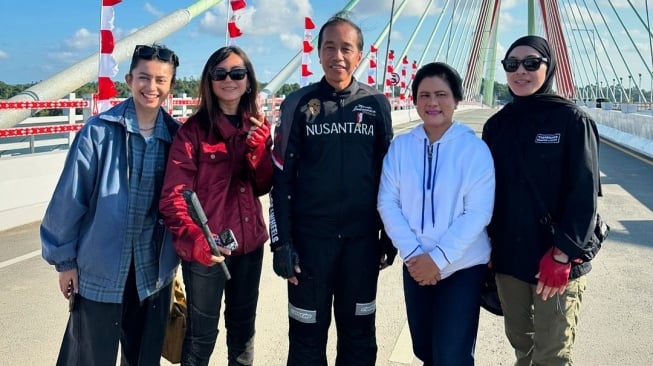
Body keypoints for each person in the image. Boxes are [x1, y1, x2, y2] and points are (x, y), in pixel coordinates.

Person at [40, 43, 181, 366]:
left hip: (153, 275)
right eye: (144, 77)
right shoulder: (98, 133)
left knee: (144, 359)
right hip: (100, 272)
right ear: (130, 79)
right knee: (90, 358)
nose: (152, 87)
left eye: (161, 80)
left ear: (171, 86)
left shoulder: (177, 139)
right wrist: (65, 263)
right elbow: (68, 200)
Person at [268, 13, 395, 366]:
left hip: (361, 243)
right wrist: (281, 242)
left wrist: (391, 236)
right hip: (310, 246)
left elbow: (390, 177)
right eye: (329, 47)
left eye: (345, 48)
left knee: (359, 337)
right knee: (306, 338)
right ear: (318, 53)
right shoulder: (298, 103)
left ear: (360, 55)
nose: (337, 56)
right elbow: (281, 179)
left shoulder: (376, 105)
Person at [482, 35, 601, 365]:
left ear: (548, 68)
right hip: (509, 260)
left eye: (531, 63)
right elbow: (488, 193)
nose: (521, 71)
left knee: (552, 355)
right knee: (522, 343)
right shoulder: (497, 125)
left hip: (556, 259)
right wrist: (487, 246)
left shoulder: (573, 122)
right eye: (512, 64)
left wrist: (563, 255)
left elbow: (585, 195)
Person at [159, 45, 272, 366]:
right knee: (200, 337)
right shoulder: (192, 133)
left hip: (250, 247)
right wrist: (196, 241)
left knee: (243, 333)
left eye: (237, 73)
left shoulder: (258, 126)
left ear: (248, 81)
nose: (229, 80)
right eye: (219, 74)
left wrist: (258, 149)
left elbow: (263, 185)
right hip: (206, 251)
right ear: (209, 81)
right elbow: (174, 195)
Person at [377, 62, 495, 365]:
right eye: (424, 95)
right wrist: (416, 255)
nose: (432, 103)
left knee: (452, 356)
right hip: (415, 264)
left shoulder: (474, 150)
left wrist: (438, 260)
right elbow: (387, 203)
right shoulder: (401, 147)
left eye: (441, 94)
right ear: (414, 100)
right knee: (425, 350)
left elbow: (477, 213)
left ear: (456, 100)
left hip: (462, 267)